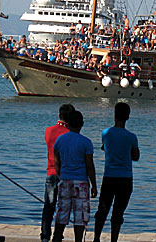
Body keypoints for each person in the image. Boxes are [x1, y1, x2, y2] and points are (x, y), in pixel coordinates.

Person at [93, 103, 139, 242]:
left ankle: (96, 238)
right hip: (125, 178)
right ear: (128, 117)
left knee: (103, 209)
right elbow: (136, 157)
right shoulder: (131, 137)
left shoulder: (106, 133)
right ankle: (114, 239)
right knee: (118, 211)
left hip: (109, 177)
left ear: (114, 116)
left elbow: (105, 148)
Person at [52, 110, 97, 242]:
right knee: (80, 215)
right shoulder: (86, 142)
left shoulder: (60, 140)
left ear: (67, 124)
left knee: (62, 212)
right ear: (82, 124)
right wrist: (94, 185)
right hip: (81, 182)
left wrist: (61, 176)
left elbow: (56, 162)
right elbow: (90, 166)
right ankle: (78, 240)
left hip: (65, 179)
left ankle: (57, 237)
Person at [41, 104, 75, 242]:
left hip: (50, 172)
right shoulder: (69, 134)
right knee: (63, 207)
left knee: (48, 206)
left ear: (59, 115)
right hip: (65, 174)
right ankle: (57, 236)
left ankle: (44, 236)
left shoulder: (48, 131)